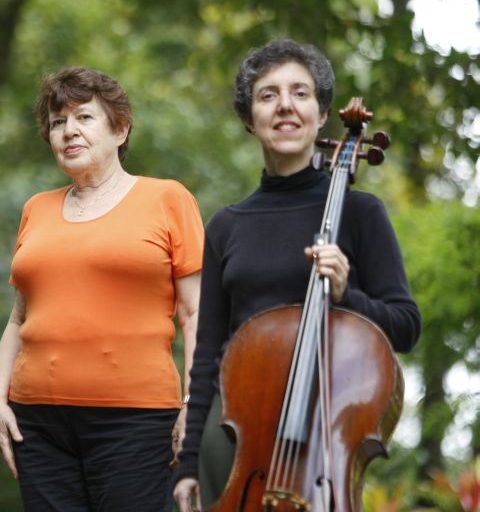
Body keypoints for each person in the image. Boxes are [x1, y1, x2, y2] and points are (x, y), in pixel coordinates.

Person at [173, 39, 422, 512]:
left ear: (322, 113)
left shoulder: (361, 212)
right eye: (268, 95)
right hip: (232, 434)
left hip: (324, 440)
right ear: (250, 119)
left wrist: (347, 294)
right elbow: (206, 354)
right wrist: (187, 467)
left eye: (300, 93)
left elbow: (406, 326)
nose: (285, 105)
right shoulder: (227, 226)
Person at [0, 66, 204, 512]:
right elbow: (19, 317)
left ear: (120, 128)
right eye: (57, 121)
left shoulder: (167, 198)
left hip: (136, 421)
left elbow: (195, 313)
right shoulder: (36, 209)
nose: (68, 131)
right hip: (37, 424)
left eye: (84, 118)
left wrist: (193, 404)